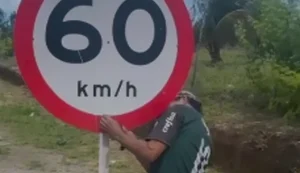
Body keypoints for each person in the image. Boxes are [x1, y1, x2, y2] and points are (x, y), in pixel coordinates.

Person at [100, 90, 212, 173]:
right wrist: (129, 141)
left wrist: (118, 134)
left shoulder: (180, 110)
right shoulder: (199, 130)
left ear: (182, 98)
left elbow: (150, 152)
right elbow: (154, 168)